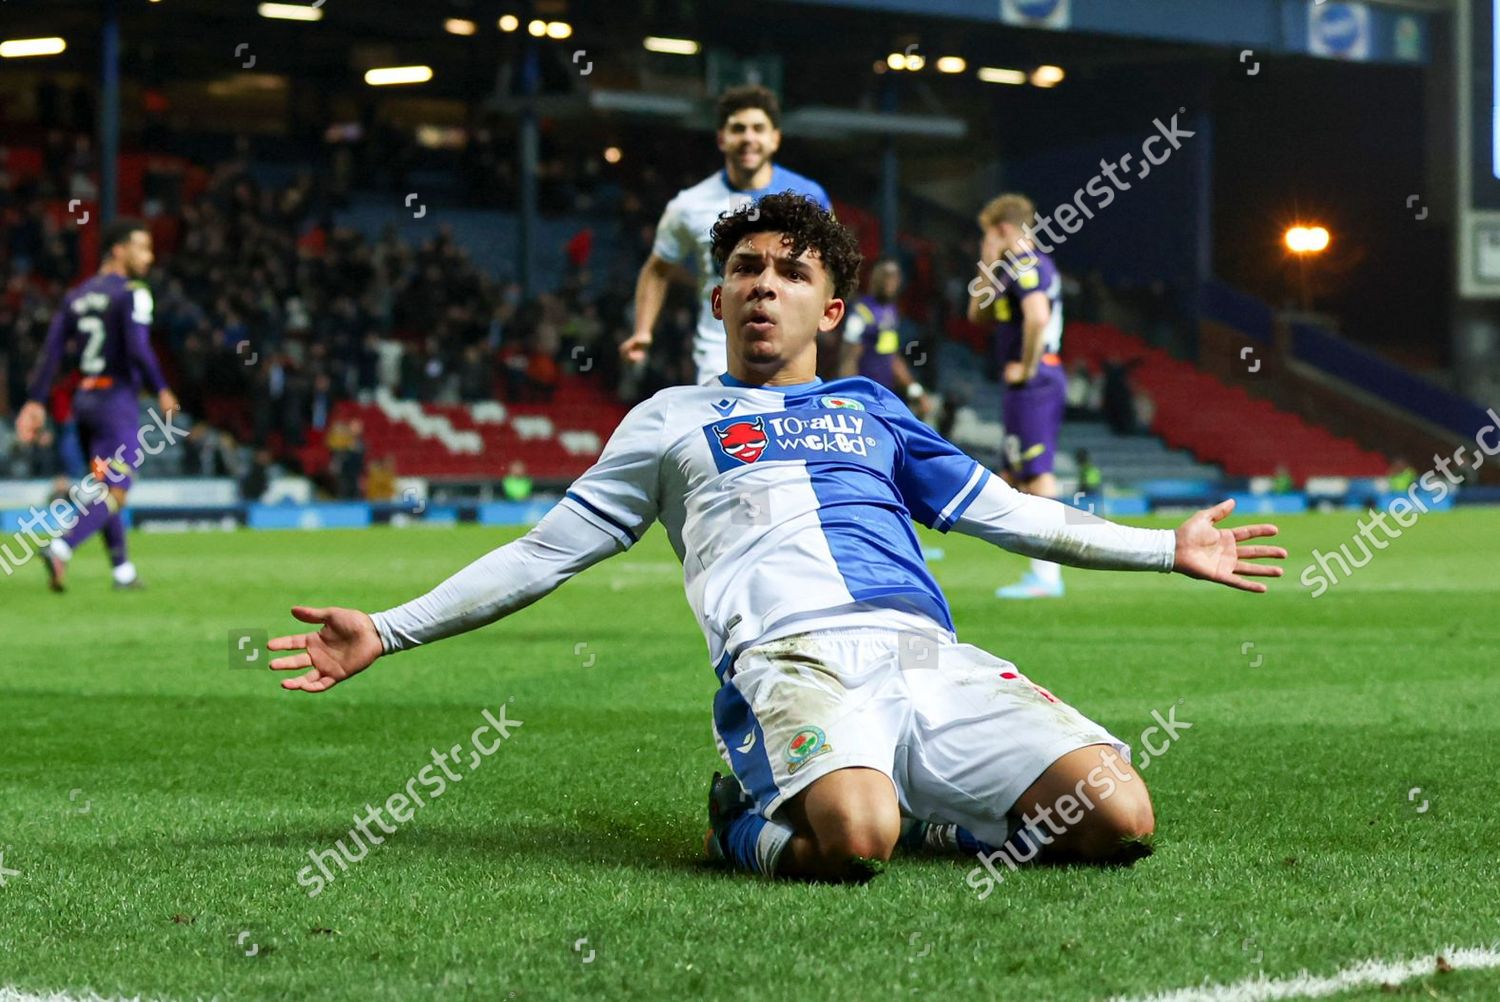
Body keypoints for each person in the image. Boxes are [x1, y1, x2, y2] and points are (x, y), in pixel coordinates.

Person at [266, 194, 1285, 885]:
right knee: (852, 842)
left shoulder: (877, 410)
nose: (762, 284)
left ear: (827, 306)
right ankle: (741, 816)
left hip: (931, 655)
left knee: (1118, 815)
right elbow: (544, 552)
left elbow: (1008, 512)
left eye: (789, 273)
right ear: (716, 299)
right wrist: (389, 631)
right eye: (744, 269)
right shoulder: (668, 419)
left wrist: (1166, 547)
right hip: (793, 660)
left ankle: (926, 803)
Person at [619, 85, 831, 385]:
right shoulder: (688, 205)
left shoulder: (810, 197)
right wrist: (643, 331)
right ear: (722, 138)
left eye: (758, 129)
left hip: (792, 348)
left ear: (775, 139)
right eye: (738, 129)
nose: (748, 138)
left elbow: (829, 266)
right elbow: (657, 269)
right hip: (720, 352)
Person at [14, 217, 180, 591]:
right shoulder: (132, 291)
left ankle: (122, 572)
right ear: (119, 249)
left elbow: (52, 350)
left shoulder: (78, 295)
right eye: (142, 247)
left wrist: (36, 401)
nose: (149, 257)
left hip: (85, 400)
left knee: (105, 489)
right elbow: (138, 348)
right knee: (117, 491)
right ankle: (61, 546)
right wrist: (163, 388)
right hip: (117, 400)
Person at [968, 194, 1069, 599]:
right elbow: (978, 314)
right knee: (1016, 475)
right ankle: (1040, 571)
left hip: (1036, 377)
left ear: (1003, 229)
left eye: (988, 234)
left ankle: (1049, 577)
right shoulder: (1011, 268)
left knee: (1037, 475)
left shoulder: (1027, 264)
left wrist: (1027, 367)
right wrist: (989, 265)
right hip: (1027, 381)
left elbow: (1038, 317)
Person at [838, 259, 930, 419]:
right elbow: (848, 358)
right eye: (886, 275)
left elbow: (892, 357)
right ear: (874, 278)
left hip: (884, 397)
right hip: (863, 400)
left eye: (895, 276)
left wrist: (915, 390)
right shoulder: (861, 312)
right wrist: (848, 403)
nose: (891, 281)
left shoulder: (891, 312)